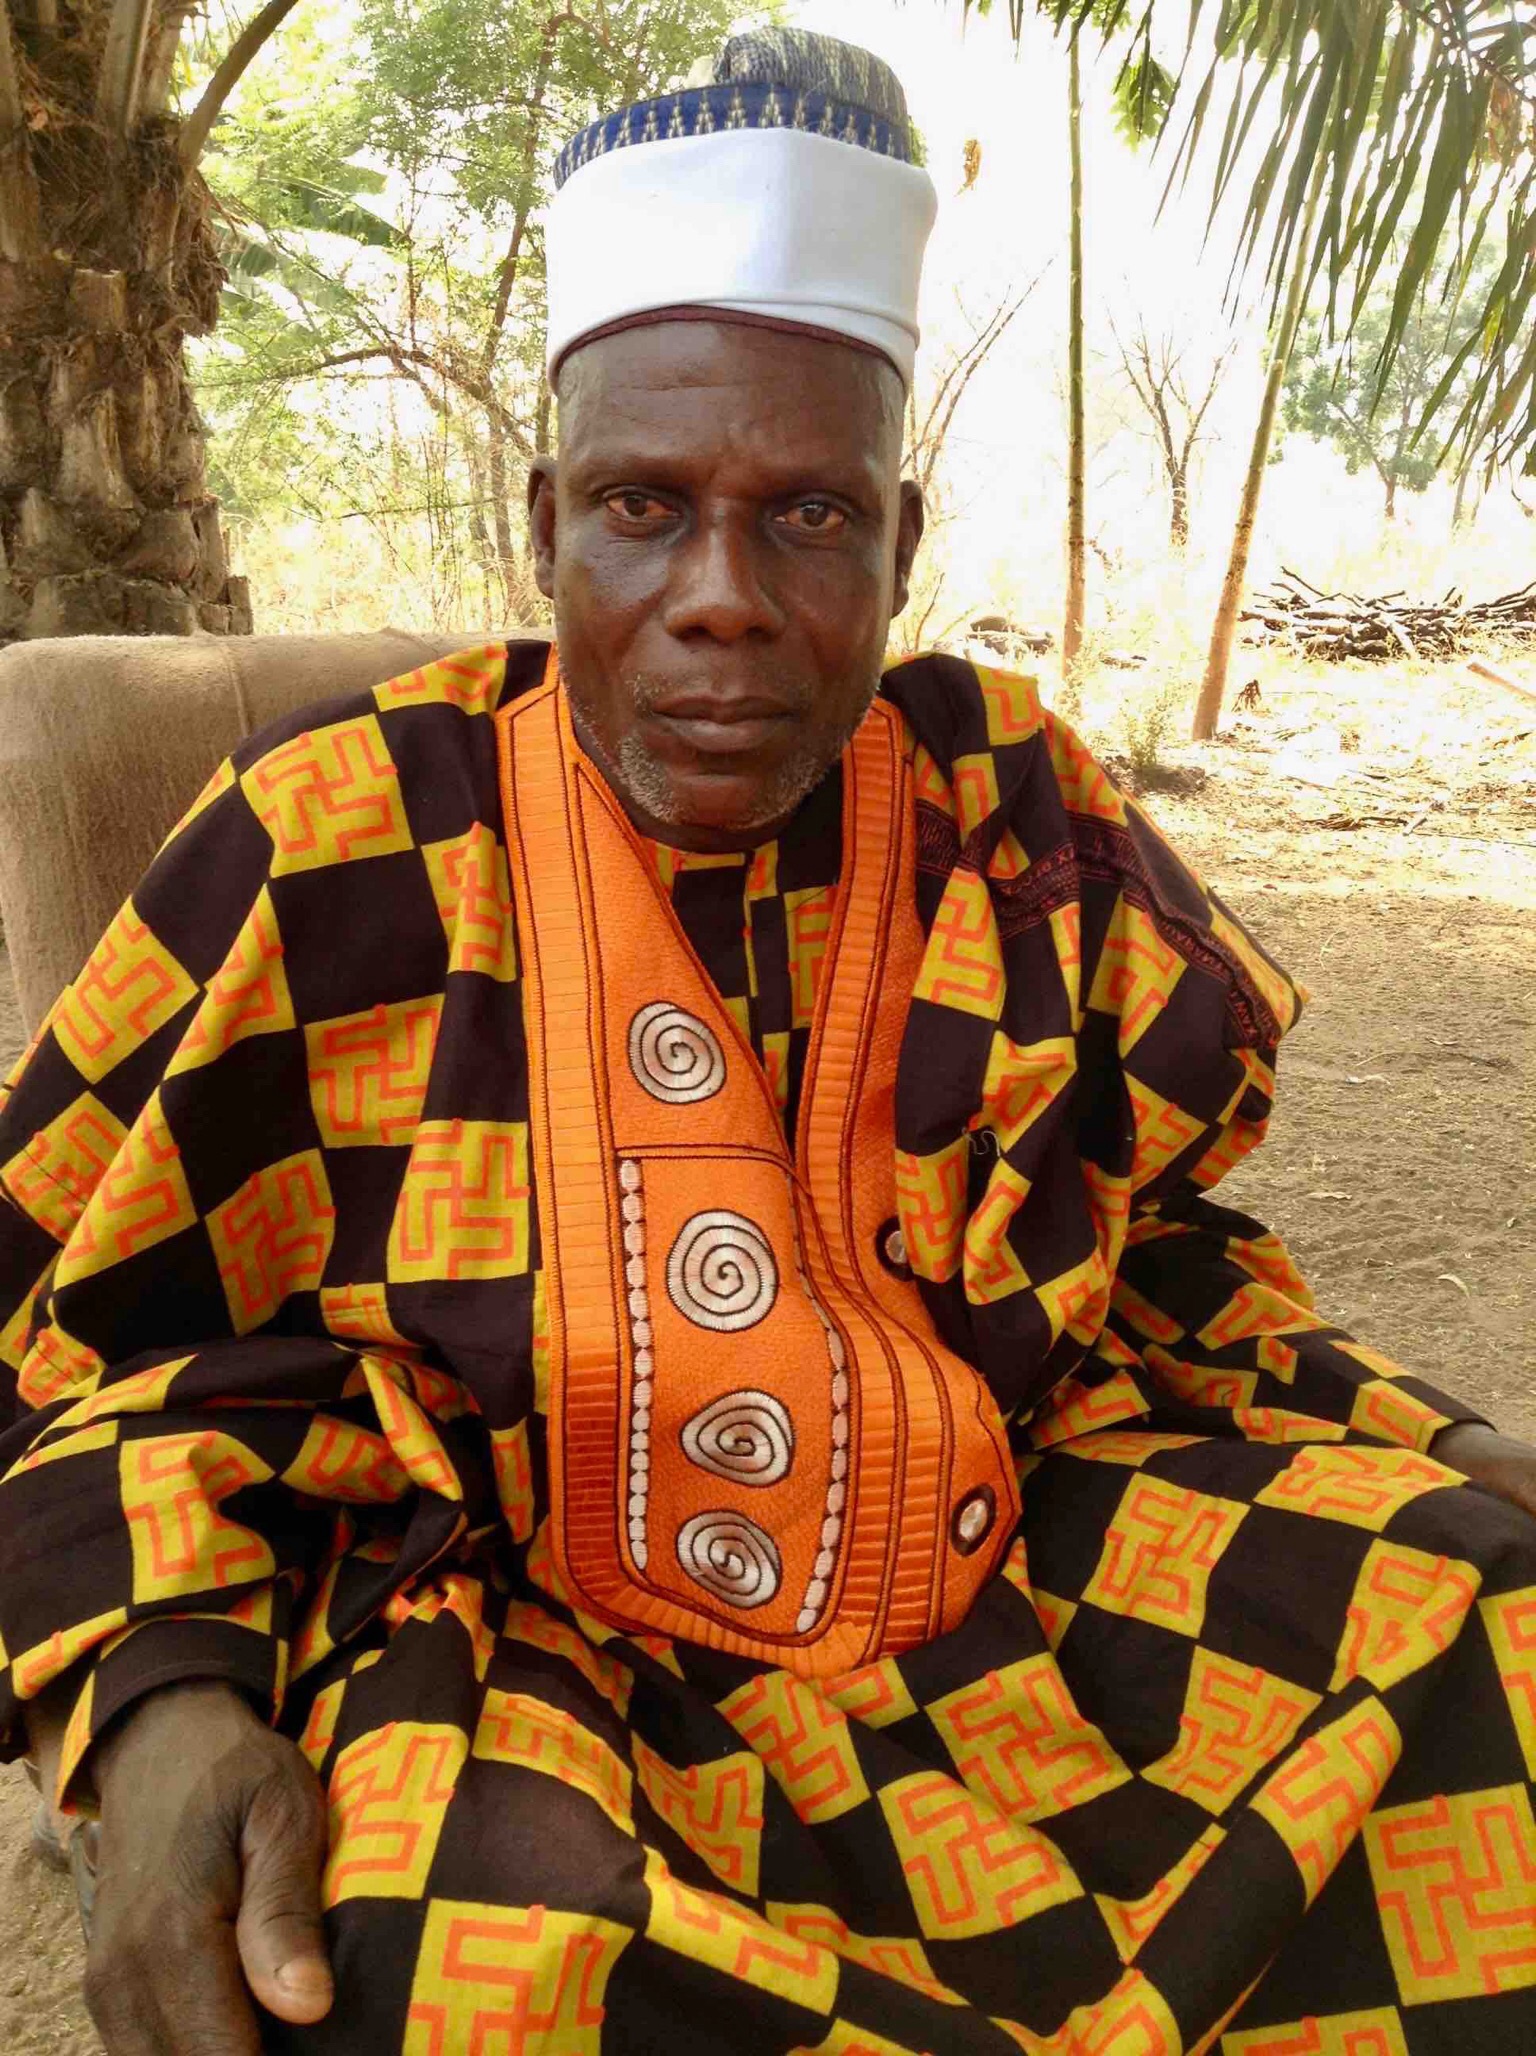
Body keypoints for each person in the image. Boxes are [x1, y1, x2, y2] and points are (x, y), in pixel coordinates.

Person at [0, 29, 1533, 2056]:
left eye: (807, 516)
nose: (721, 597)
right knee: (435, 1956)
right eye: (647, 505)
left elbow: (1150, 1260)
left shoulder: (1010, 800)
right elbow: (95, 1339)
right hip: (525, 1627)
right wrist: (163, 1698)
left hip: (1030, 1569)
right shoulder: (334, 836)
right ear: (548, 523)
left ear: (899, 539)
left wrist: (1451, 1456)